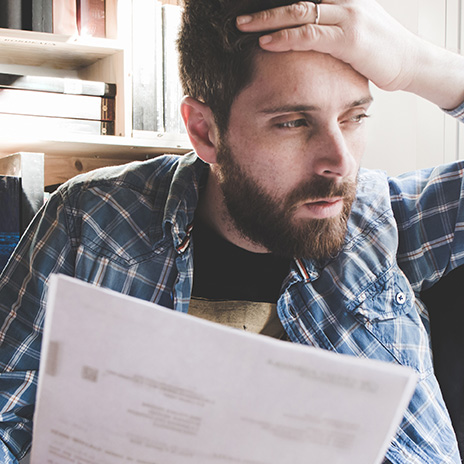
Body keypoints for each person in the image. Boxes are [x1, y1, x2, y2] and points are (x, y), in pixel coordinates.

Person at [1, 0, 464, 462]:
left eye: (354, 117)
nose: (340, 162)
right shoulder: (92, 220)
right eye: (293, 122)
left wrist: (413, 64)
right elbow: (7, 418)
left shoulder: (383, 218)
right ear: (204, 131)